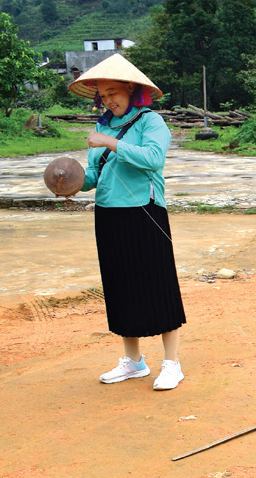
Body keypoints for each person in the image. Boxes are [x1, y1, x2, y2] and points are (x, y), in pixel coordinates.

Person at [69, 54, 186, 391]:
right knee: (120, 285)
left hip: (145, 211)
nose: (108, 101)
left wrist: (110, 142)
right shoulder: (104, 126)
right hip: (108, 212)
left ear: (131, 90)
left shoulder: (151, 122)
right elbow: (96, 172)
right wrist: (75, 183)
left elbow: (153, 160)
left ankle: (171, 363)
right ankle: (133, 361)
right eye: (102, 96)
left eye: (113, 93)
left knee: (157, 283)